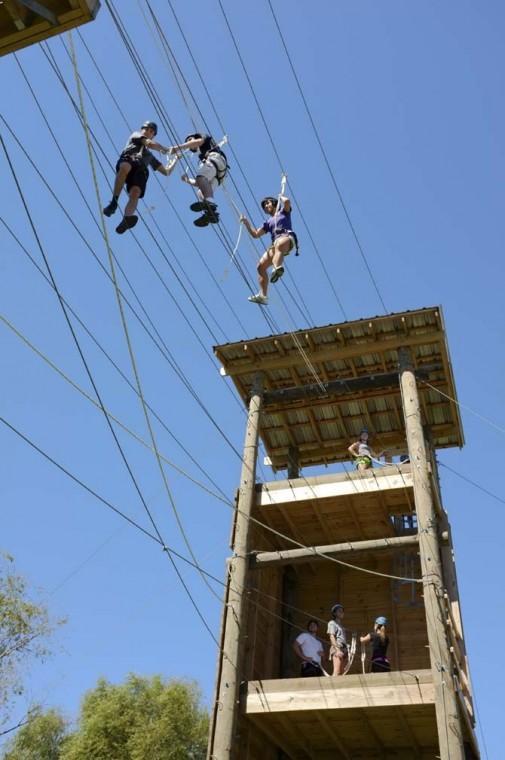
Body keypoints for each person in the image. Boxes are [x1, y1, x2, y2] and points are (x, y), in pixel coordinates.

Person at [103, 121, 177, 234]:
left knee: (136, 192)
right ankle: (114, 202)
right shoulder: (136, 135)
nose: (148, 132)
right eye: (147, 129)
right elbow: (149, 144)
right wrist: (167, 150)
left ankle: (127, 218)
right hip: (130, 159)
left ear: (153, 135)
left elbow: (166, 171)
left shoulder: (149, 156)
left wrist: (175, 159)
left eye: (151, 132)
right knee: (124, 167)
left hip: (140, 170)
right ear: (142, 129)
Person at [240, 195, 298, 305]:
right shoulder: (268, 222)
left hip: (287, 238)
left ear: (274, 203)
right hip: (275, 245)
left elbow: (287, 202)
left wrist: (281, 197)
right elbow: (256, 234)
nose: (266, 206)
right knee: (260, 267)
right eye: (264, 206)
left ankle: (277, 268)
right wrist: (246, 223)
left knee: (279, 244)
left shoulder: (283, 212)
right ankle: (263, 296)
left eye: (268, 203)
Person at [167, 133, 227, 227]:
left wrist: (177, 148)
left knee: (200, 178)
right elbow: (200, 184)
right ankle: (210, 213)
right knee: (201, 192)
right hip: (219, 174)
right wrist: (187, 180)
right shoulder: (202, 155)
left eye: (190, 139)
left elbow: (197, 142)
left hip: (216, 160)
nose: (190, 143)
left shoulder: (204, 138)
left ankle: (210, 204)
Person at [327, 603, 347, 676]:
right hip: (338, 647)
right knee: (337, 671)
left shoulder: (341, 626)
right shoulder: (332, 623)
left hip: (344, 649)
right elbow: (332, 636)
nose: (342, 612)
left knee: (342, 672)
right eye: (339, 611)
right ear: (334, 613)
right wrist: (337, 650)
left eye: (342, 611)